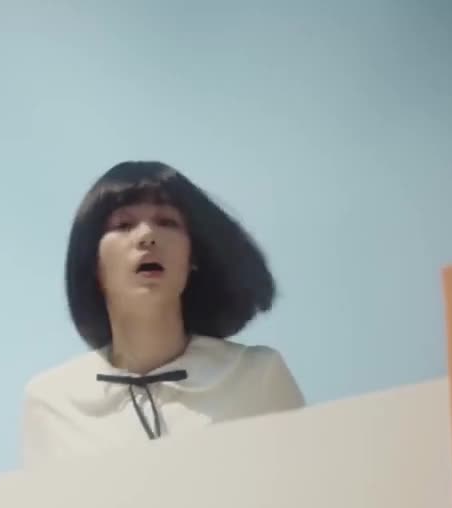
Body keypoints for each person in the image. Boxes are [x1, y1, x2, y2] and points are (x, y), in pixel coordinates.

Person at [21, 161, 305, 468]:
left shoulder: (257, 376)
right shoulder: (51, 402)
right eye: (123, 225)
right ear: (93, 262)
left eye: (167, 222)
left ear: (193, 255)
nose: (147, 236)